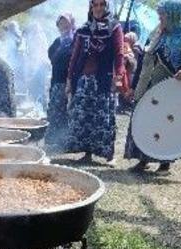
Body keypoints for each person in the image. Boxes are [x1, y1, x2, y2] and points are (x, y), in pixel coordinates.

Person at [124, 0, 181, 173]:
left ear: (174, 14)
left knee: (165, 123)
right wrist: (133, 86)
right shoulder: (157, 32)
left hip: (169, 88)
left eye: (163, 14)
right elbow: (144, 59)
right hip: (146, 86)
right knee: (144, 121)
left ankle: (164, 163)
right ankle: (142, 159)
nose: (160, 18)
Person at [66, 0, 128, 163]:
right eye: (95, 5)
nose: (98, 8)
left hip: (104, 80)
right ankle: (87, 153)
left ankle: (108, 154)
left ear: (107, 7)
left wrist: (119, 76)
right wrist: (70, 79)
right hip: (85, 81)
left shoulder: (114, 28)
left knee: (103, 119)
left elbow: (119, 55)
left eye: (102, 4)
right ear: (91, 7)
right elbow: (74, 57)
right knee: (84, 118)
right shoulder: (83, 29)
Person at [45, 13, 76, 150]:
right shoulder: (57, 42)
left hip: (70, 82)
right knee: (55, 110)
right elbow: (52, 57)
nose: (63, 26)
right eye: (61, 23)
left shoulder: (76, 40)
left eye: (66, 23)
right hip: (56, 81)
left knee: (67, 111)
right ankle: (54, 140)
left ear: (72, 24)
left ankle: (66, 141)